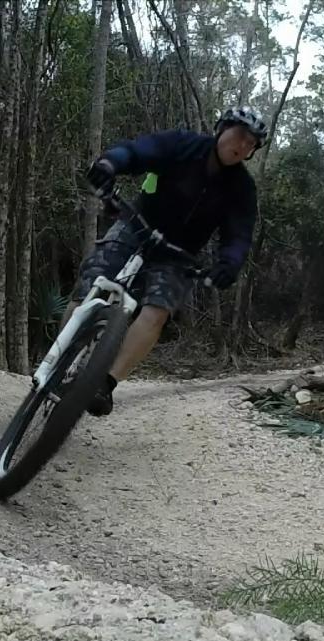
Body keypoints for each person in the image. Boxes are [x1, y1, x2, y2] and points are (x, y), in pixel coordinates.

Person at [68, 106, 269, 417]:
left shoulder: (242, 189)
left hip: (178, 253)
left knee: (157, 311)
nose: (242, 146)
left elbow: (238, 234)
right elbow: (139, 152)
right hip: (137, 226)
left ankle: (105, 384)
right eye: (240, 135)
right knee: (91, 284)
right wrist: (110, 163)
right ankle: (61, 357)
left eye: (251, 144)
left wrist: (229, 264)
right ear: (222, 128)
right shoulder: (183, 144)